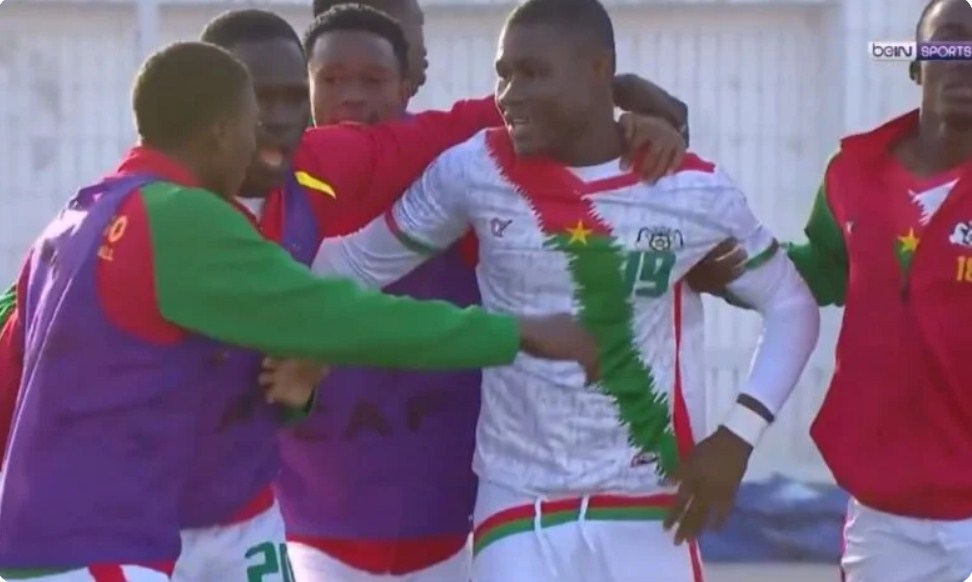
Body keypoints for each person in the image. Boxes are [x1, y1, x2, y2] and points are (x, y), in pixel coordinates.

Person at [0, 40, 597, 580]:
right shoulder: (184, 218)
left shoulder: (74, 217)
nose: (263, 142)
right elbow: (341, 317)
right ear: (220, 132)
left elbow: (19, 372)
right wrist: (522, 332)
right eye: (250, 126)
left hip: (61, 543)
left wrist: (296, 392)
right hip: (99, 548)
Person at [296, 0, 821, 579]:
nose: (509, 94)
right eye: (503, 74)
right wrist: (260, 305)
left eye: (532, 73)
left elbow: (792, 305)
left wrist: (739, 435)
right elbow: (355, 264)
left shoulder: (689, 188)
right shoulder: (474, 168)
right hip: (519, 503)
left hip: (649, 502)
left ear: (597, 71)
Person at [692, 0, 972, 580]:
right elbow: (820, 269)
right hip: (883, 516)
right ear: (916, 63)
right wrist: (736, 273)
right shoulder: (853, 174)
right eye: (949, 41)